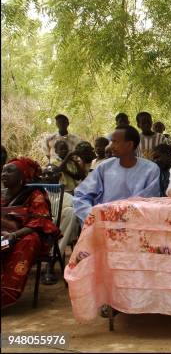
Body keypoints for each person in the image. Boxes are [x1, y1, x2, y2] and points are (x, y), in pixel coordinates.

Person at [2, 158, 60, 308]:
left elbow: (41, 221)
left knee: (29, 240)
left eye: (9, 171)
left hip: (25, 234)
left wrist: (14, 235)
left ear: (23, 175)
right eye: (3, 171)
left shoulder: (35, 194)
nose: (4, 174)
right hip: (4, 235)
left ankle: (5, 294)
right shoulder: (1, 195)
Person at [73, 125, 160, 225]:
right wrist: (91, 216)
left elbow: (147, 204)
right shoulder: (104, 167)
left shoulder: (151, 170)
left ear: (129, 145)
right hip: (102, 225)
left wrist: (118, 219)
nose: (110, 146)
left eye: (115, 142)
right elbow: (81, 195)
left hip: (136, 227)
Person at [39, 164, 79, 284]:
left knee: (70, 212)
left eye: (50, 174)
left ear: (59, 176)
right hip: (43, 232)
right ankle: (51, 259)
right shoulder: (38, 195)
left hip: (62, 233)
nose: (46, 177)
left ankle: (51, 261)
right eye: (44, 174)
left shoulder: (69, 197)